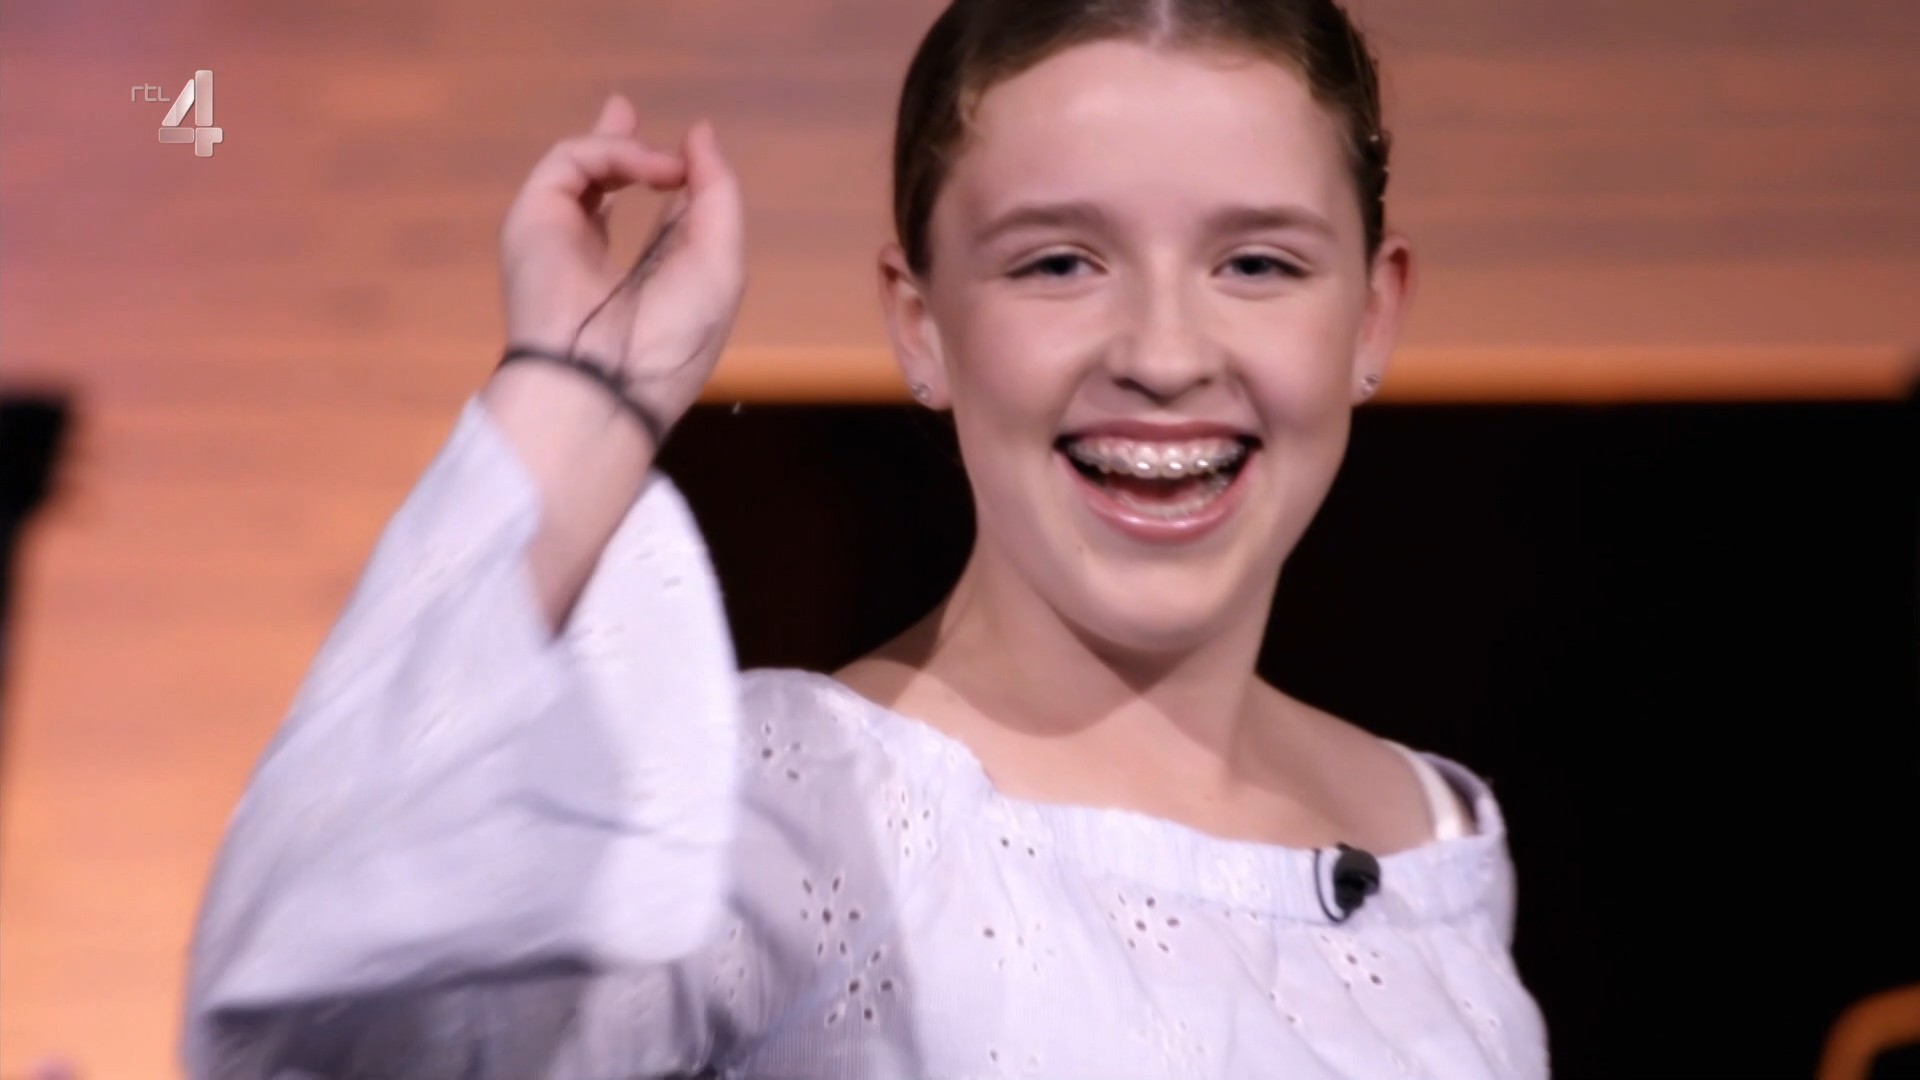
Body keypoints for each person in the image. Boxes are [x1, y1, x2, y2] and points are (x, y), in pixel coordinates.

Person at [181, 0, 1550, 1075]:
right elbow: (317, 1018)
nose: (1164, 353)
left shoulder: (1432, 831)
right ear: (919, 322)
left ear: (1372, 313)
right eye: (1058, 262)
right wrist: (577, 393)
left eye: (1256, 263)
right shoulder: (785, 803)